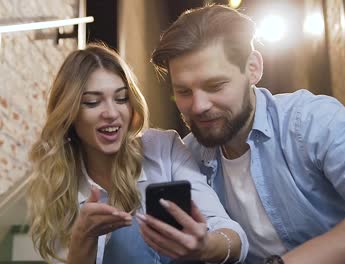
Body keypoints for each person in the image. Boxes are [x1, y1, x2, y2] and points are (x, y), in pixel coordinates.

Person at [150, 4, 345, 264]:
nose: (199, 106)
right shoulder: (185, 156)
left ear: (253, 68)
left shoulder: (312, 120)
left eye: (215, 85)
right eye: (184, 92)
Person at [26, 43, 248, 264]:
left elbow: (232, 235)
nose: (112, 113)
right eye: (92, 102)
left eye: (121, 98)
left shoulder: (164, 148)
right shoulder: (57, 186)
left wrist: (207, 246)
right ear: (70, 114)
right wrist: (83, 237)